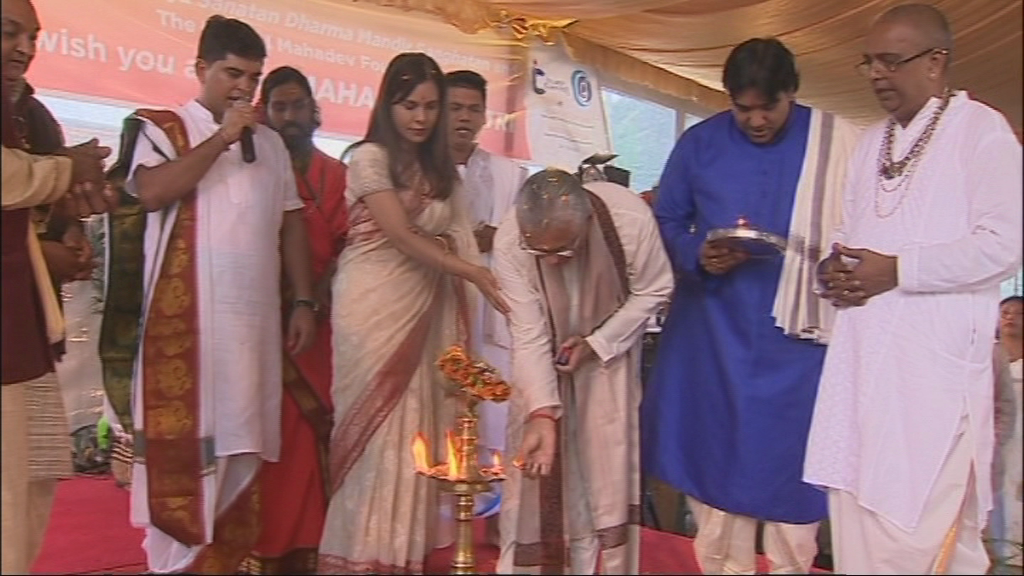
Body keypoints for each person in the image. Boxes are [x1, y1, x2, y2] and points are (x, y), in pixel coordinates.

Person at [803, 4, 1023, 574]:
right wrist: (835, 269)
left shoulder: (983, 132)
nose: (877, 74)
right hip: (861, 370)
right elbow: (851, 233)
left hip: (931, 382)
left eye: (891, 61)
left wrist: (899, 270)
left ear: (935, 62)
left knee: (918, 535)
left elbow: (1005, 246)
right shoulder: (869, 142)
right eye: (870, 62)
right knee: (856, 522)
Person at [642, 37, 859, 574]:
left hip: (802, 345)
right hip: (714, 334)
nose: (756, 121)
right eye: (744, 109)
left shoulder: (836, 145)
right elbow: (667, 220)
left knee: (795, 479)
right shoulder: (700, 144)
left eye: (769, 108)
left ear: (793, 93)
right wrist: (697, 253)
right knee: (716, 477)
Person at [122, 15, 316, 574]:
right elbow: (151, 192)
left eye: (253, 78)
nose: (244, 89)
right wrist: (223, 137)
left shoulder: (271, 145)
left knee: (241, 455)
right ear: (201, 68)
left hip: (251, 335)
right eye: (233, 74)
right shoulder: (161, 127)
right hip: (188, 335)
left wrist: (304, 300)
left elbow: (292, 222)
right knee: (182, 465)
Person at [317, 52, 509, 575]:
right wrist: (471, 271)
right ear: (388, 105)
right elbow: (401, 235)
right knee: (374, 433)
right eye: (409, 106)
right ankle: (358, 558)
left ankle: (399, 555)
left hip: (426, 310)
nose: (421, 118)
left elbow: (460, 233)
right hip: (373, 308)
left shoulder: (442, 171)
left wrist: (468, 264)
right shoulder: (368, 158)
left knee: (414, 431)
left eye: (430, 106)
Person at [492, 169, 674, 575]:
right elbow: (528, 331)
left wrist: (598, 343)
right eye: (540, 253)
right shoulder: (510, 241)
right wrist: (541, 412)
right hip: (541, 366)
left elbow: (655, 288)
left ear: (587, 221)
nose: (552, 262)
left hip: (609, 363)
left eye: (563, 250)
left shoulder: (628, 219)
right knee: (536, 478)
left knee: (602, 479)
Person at [1, 1, 115, 573]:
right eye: (9, 33)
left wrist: (70, 225)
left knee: (35, 475)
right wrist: (66, 171)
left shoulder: (32, 112)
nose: (24, 48)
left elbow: (47, 205)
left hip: (24, 329)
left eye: (33, 36)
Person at [244, 65, 348, 575]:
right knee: (267, 436)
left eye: (297, 106)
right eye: (279, 107)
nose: (289, 117)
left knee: (309, 433)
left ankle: (311, 545)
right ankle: (260, 548)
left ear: (313, 110)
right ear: (264, 112)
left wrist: (315, 299)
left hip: (318, 328)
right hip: (256, 324)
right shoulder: (248, 168)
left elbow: (350, 246)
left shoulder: (336, 176)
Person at [445, 68, 528, 521]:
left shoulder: (507, 174)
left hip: (490, 308)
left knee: (493, 405)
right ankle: (440, 515)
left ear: (484, 116)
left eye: (472, 109)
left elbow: (530, 237)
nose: (464, 117)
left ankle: (496, 515)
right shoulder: (419, 169)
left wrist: (499, 236)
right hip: (439, 300)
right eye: (455, 108)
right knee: (443, 400)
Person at [991, 295, 1023, 571]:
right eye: (1005, 312)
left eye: (1018, 313)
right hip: (994, 439)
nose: (1011, 317)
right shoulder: (988, 355)